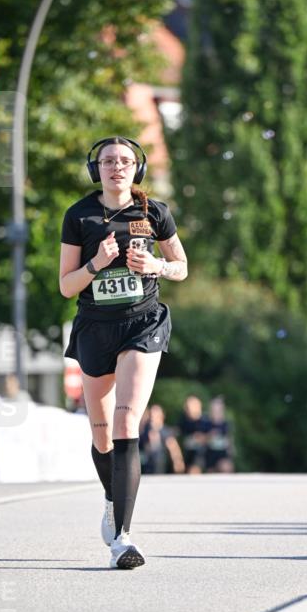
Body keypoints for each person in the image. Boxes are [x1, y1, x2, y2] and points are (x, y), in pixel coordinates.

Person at [59, 135, 188, 568]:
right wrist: (95, 264)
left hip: (142, 321)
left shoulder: (155, 212)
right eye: (110, 161)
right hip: (96, 327)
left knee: (126, 417)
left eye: (126, 161)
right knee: (100, 433)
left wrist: (158, 267)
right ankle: (113, 498)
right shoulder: (79, 215)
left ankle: (123, 539)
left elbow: (182, 267)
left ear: (138, 168)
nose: (117, 167)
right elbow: (65, 285)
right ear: (98, 169)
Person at [139, 404, 185, 475]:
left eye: (155, 415)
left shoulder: (166, 432)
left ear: (162, 416)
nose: (152, 418)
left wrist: (178, 463)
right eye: (151, 415)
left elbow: (174, 450)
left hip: (161, 469)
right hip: (144, 469)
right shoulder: (144, 432)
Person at [178, 395, 210, 474]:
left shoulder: (205, 421)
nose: (188, 409)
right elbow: (177, 433)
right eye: (187, 407)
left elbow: (211, 437)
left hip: (201, 455)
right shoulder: (183, 420)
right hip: (186, 454)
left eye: (190, 407)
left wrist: (202, 438)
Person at [205, 396, 235, 473]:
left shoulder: (226, 423)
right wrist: (209, 436)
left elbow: (229, 437)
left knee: (226, 468)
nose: (217, 411)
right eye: (215, 409)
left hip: (222, 453)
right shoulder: (206, 423)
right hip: (210, 453)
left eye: (219, 409)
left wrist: (230, 449)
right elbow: (201, 438)